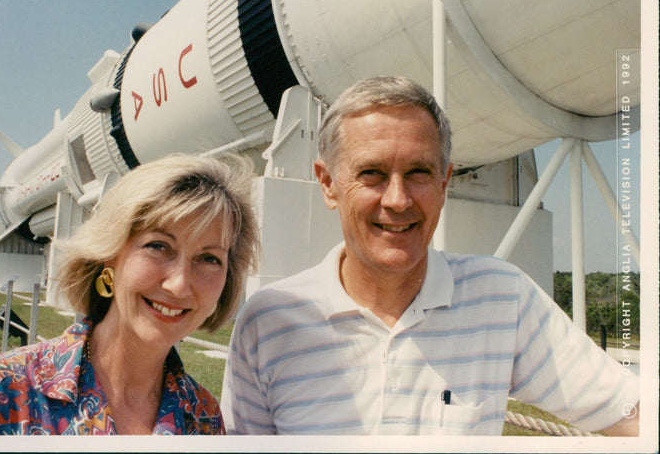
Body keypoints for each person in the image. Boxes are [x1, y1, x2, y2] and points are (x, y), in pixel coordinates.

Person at [222, 76, 640, 436]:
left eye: (419, 173)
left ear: (445, 182)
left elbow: (629, 410)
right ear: (328, 183)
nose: (398, 199)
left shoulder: (502, 299)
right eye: (372, 173)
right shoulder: (269, 324)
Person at [0, 154, 260, 435]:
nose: (180, 285)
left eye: (209, 258)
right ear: (109, 255)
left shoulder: (204, 420)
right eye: (158, 246)